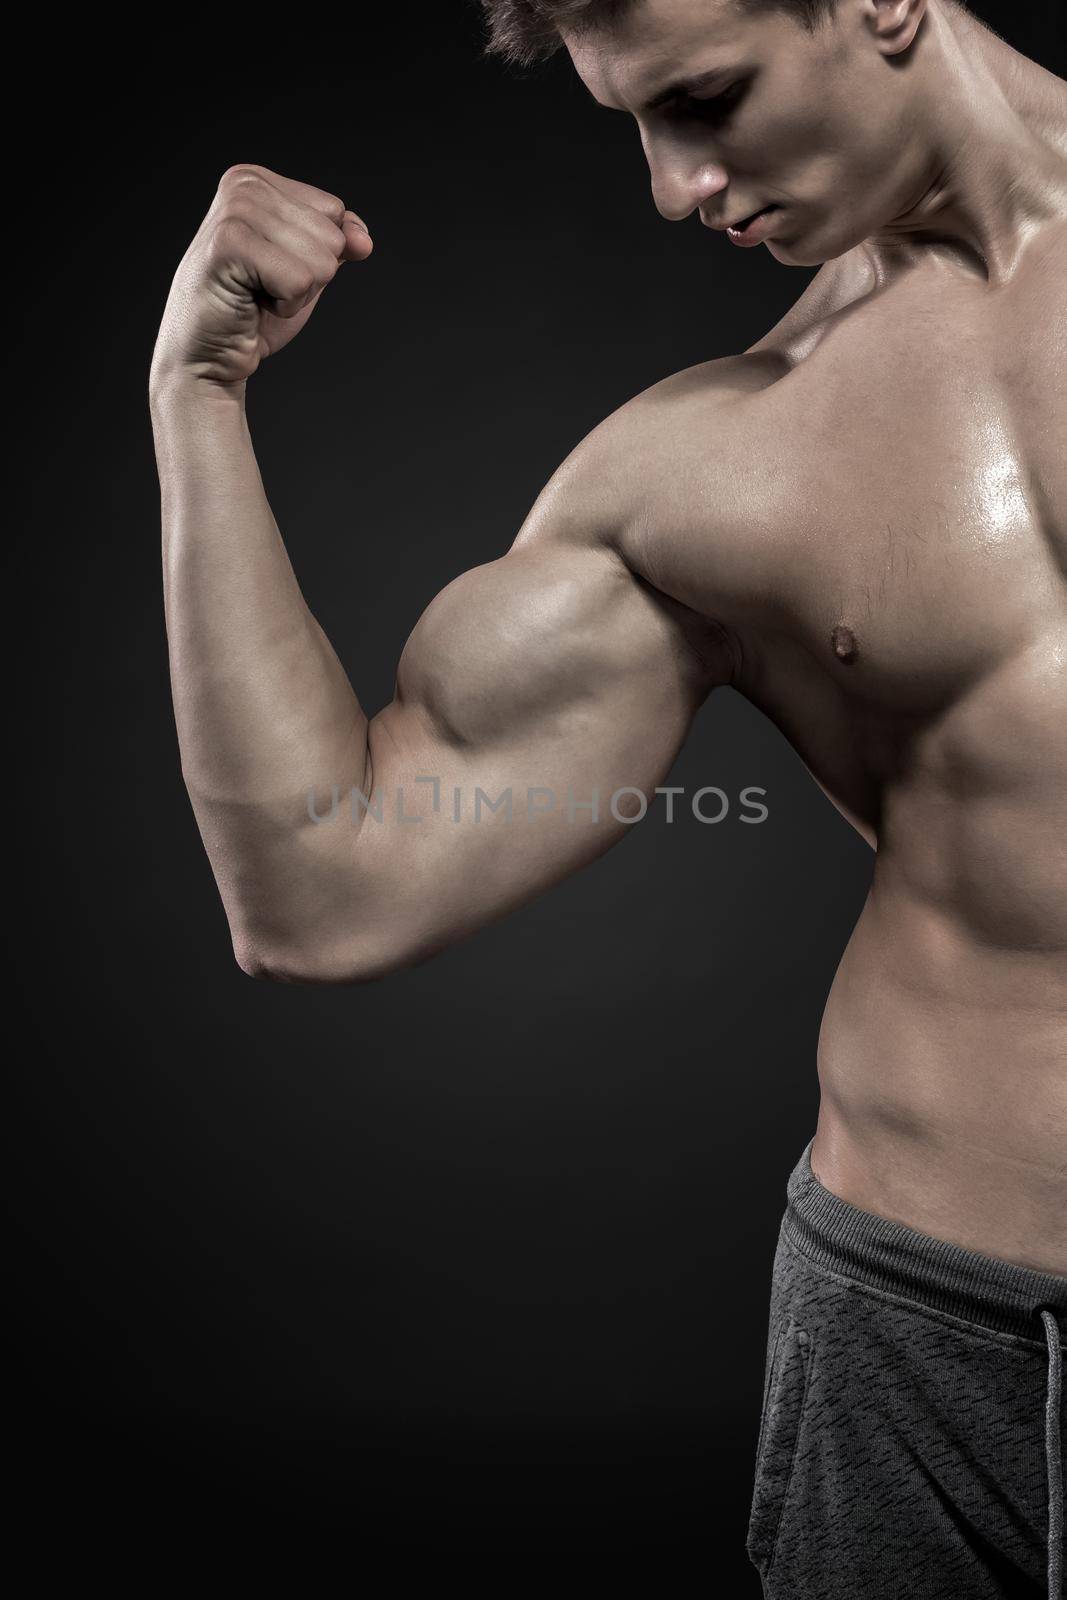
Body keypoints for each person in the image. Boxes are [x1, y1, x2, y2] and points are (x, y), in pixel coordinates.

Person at [148, 0, 1066, 1592]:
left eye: (708, 98)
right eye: (634, 122)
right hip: (918, 1333)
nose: (671, 185)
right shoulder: (710, 463)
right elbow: (324, 884)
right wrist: (199, 396)